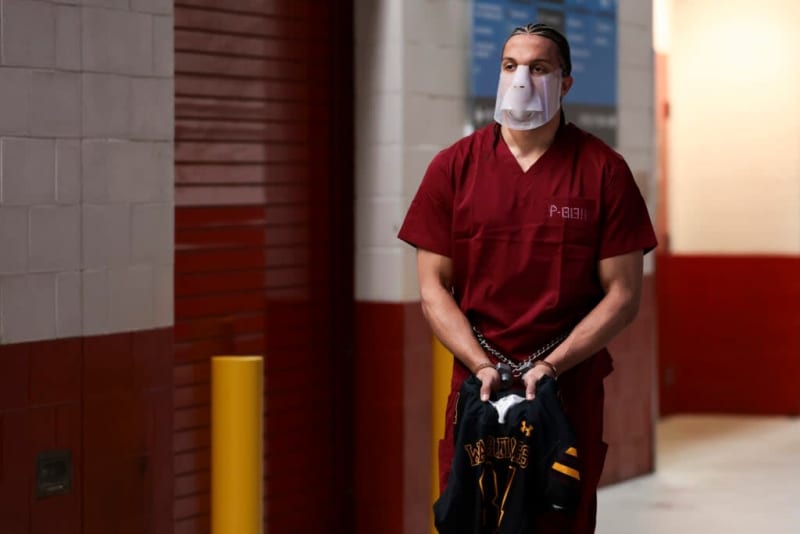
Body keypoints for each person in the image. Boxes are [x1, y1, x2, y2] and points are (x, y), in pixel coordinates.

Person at [397, 23, 657, 533]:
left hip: (565, 391)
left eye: (539, 68)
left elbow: (623, 295)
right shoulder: (453, 168)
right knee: (470, 518)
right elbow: (432, 288)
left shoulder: (603, 171)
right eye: (510, 65)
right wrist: (480, 364)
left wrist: (552, 365)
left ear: (565, 83)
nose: (521, 78)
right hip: (478, 392)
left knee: (558, 520)